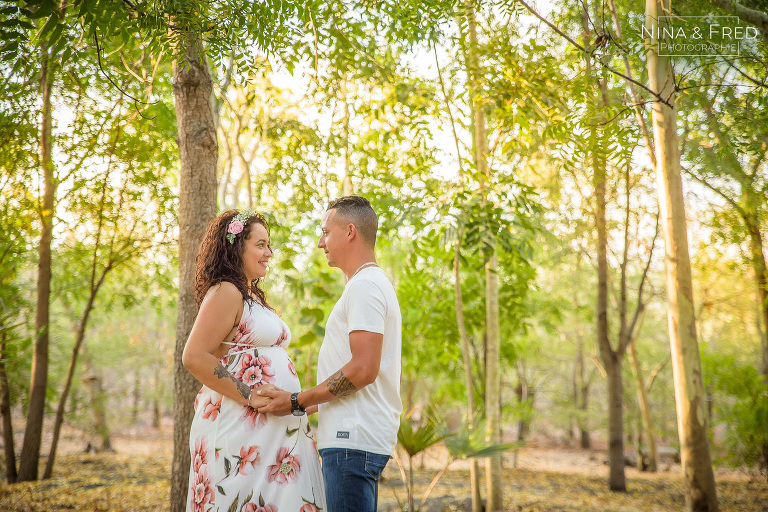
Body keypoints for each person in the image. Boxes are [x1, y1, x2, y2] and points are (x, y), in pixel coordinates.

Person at [258, 196, 402, 512]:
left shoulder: (365, 286)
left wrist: (297, 401)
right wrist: (294, 407)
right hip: (352, 440)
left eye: (325, 232)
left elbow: (363, 369)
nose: (320, 242)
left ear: (350, 231)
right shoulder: (366, 284)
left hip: (351, 441)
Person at [182, 209, 325, 512]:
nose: (269, 253)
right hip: (239, 428)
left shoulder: (251, 295)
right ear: (236, 247)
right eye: (261, 245)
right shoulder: (226, 292)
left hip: (271, 433)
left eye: (268, 245)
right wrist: (248, 396)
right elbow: (194, 356)